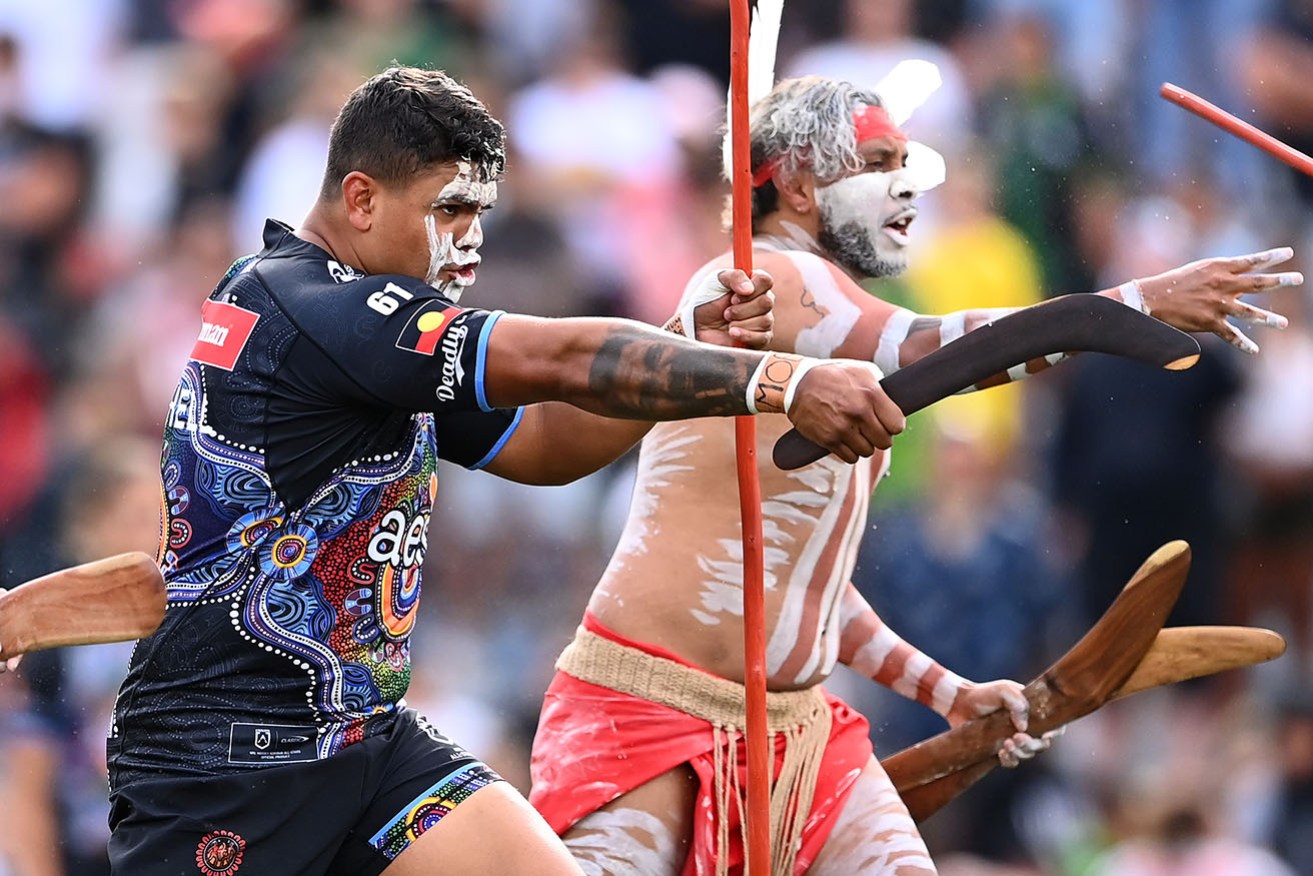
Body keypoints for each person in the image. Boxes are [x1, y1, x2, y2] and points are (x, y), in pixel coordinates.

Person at [94, 66, 906, 876]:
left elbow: (547, 443)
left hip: (365, 741)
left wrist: (687, 345)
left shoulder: (376, 332)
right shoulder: (314, 304)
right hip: (222, 760)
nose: (472, 241)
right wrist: (777, 381)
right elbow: (560, 356)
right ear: (362, 197)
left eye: (482, 213)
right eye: (449, 209)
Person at [526, 75, 1301, 875]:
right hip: (649, 706)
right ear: (794, 183)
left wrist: (946, 692)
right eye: (875, 160)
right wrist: (1132, 303)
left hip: (797, 729)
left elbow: (807, 587)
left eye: (905, 158)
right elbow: (930, 349)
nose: (905, 182)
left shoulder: (819, 313)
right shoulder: (762, 284)